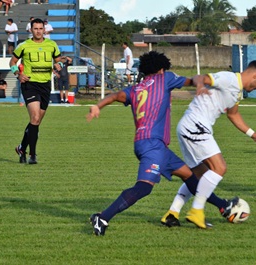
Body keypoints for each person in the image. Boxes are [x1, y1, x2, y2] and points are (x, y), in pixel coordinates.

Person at [86, 51, 237, 236]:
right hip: (152, 145)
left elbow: (116, 95)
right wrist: (199, 84)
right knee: (143, 187)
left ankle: (223, 206)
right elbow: (194, 79)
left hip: (148, 144)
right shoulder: (164, 78)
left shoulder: (135, 89)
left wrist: (98, 106)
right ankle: (103, 217)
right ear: (160, 68)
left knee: (189, 176)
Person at [161, 60, 256, 229]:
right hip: (195, 125)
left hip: (188, 127)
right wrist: (199, 85)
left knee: (198, 175)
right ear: (255, 75)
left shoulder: (237, 92)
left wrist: (253, 134)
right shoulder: (229, 79)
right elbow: (201, 77)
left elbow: (233, 115)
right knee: (220, 168)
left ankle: (172, 213)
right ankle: (196, 212)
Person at [11, 18, 62, 164]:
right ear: (31, 30)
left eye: (41, 28)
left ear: (44, 30)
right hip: (29, 84)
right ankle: (32, 155)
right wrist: (18, 74)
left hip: (45, 86)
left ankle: (21, 148)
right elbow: (12, 61)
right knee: (34, 117)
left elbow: (59, 61)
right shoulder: (24, 46)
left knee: (36, 121)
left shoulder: (52, 45)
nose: (38, 31)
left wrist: (59, 66)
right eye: (36, 29)